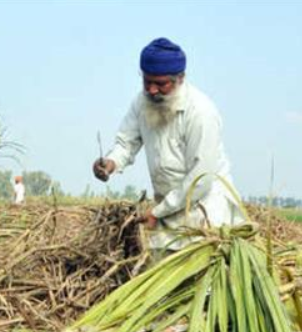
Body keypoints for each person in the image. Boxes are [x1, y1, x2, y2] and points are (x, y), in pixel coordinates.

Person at [93, 37, 243, 251]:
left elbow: (201, 179)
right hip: (166, 209)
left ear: (180, 78)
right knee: (160, 271)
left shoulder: (201, 113)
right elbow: (126, 143)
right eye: (147, 82)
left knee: (199, 279)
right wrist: (111, 162)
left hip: (204, 213)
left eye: (161, 84)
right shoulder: (142, 102)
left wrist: (158, 212)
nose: (152, 90)